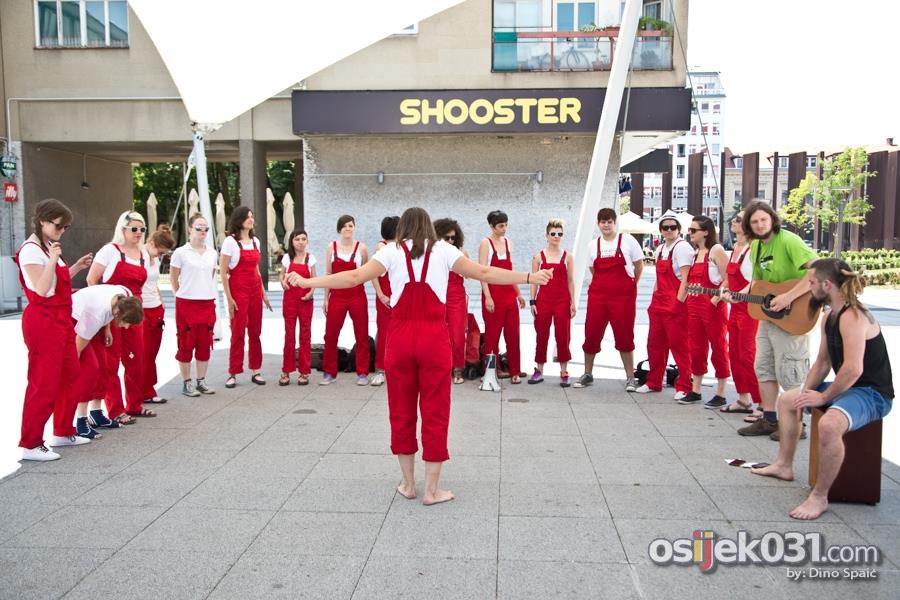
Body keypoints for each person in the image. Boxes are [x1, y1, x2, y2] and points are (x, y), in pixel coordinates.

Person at [286, 207, 552, 505]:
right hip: (434, 339)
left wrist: (309, 282)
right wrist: (531, 276)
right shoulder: (443, 250)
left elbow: (354, 277)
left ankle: (409, 484)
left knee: (401, 411)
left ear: (403, 228)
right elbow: (485, 272)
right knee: (436, 410)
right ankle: (432, 490)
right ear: (429, 226)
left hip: (399, 339)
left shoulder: (391, 252)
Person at [752, 258, 893, 520]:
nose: (811, 286)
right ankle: (784, 465)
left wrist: (824, 396)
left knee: (829, 425)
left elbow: (853, 369)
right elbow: (822, 363)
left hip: (872, 393)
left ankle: (819, 496)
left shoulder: (853, 316)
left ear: (827, 285)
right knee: (787, 401)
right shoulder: (830, 315)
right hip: (848, 387)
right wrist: (806, 393)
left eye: (813, 282)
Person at [15, 199, 93, 461]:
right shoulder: (30, 250)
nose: (62, 231)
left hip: (60, 319)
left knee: (71, 376)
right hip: (44, 320)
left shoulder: (47, 246)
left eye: (66, 227)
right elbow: (40, 288)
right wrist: (52, 261)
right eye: (59, 225)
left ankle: (62, 431)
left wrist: (74, 268)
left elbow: (55, 284)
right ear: (43, 221)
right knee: (43, 383)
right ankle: (31, 443)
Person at [736, 200, 817, 438]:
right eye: (754, 221)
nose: (760, 225)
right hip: (769, 317)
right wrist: (737, 296)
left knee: (790, 370)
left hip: (794, 315)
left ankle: (796, 425)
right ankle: (769, 419)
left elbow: (816, 269)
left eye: (764, 219)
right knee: (764, 367)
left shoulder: (789, 240)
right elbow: (759, 286)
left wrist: (788, 297)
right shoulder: (757, 247)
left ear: (772, 219)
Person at [86, 210, 152, 424]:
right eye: (134, 228)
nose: (138, 233)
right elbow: (92, 279)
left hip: (136, 314)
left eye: (142, 229)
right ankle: (115, 410)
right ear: (122, 229)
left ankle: (135, 404)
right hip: (113, 314)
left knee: (136, 360)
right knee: (110, 362)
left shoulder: (144, 254)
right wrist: (104, 319)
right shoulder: (110, 250)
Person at [576, 208, 643, 389]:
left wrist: (630, 285)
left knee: (624, 335)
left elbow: (639, 266)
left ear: (615, 223)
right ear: (598, 224)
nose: (606, 225)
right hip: (598, 296)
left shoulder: (627, 241)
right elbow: (593, 270)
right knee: (591, 333)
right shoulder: (593, 245)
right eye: (603, 222)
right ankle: (588, 373)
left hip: (623, 298)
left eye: (609, 221)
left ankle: (630, 377)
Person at [73, 285, 145, 439]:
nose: (126, 327)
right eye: (126, 323)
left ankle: (96, 414)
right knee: (89, 370)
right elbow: (77, 348)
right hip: (75, 320)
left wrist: (107, 329)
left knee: (104, 367)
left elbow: (110, 307)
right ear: (119, 314)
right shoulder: (95, 313)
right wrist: (72, 366)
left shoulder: (126, 295)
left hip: (97, 322)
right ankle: (81, 421)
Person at [634, 212, 693, 399]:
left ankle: (684, 385)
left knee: (679, 345)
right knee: (655, 344)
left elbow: (686, 279)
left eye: (672, 227)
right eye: (665, 227)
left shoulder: (682, 248)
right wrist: (653, 299)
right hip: (659, 303)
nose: (669, 230)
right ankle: (654, 381)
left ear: (678, 229)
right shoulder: (660, 249)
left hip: (675, 303)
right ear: (660, 230)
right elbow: (659, 278)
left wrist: (678, 303)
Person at [221, 206, 272, 388]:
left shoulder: (256, 241)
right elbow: (223, 272)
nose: (251, 220)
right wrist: (229, 299)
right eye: (247, 217)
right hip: (238, 290)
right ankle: (233, 372)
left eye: (252, 217)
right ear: (239, 220)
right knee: (238, 332)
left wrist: (263, 294)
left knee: (255, 331)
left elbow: (256, 270)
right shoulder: (230, 242)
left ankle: (256, 369)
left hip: (254, 290)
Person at [683, 215, 730, 406]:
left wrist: (715, 299)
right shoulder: (696, 253)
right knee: (696, 347)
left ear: (706, 232)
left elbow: (728, 278)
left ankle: (721, 392)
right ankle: (696, 390)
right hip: (694, 306)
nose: (690, 233)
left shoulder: (716, 250)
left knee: (718, 347)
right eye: (690, 230)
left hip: (712, 308)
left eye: (694, 230)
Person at [171, 213, 219, 397]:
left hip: (207, 302)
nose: (203, 231)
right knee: (185, 342)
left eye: (205, 228)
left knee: (204, 342)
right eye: (198, 227)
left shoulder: (212, 253)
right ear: (190, 229)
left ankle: (201, 381)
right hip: (186, 304)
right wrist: (181, 294)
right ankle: (187, 382)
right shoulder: (181, 252)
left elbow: (211, 277)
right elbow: (174, 278)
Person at [720, 211, 762, 416]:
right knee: (734, 354)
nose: (734, 221)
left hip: (749, 309)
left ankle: (763, 403)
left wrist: (741, 294)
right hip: (735, 307)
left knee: (748, 355)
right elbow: (729, 277)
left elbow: (758, 279)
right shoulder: (735, 247)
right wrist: (723, 290)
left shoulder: (754, 248)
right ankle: (743, 398)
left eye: (738, 219)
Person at [321, 214, 371, 386]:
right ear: (339, 229)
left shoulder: (362, 248)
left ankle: (363, 372)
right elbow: (328, 274)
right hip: (337, 296)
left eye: (350, 225)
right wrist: (326, 298)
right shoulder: (331, 247)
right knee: (331, 334)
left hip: (357, 295)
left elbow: (366, 272)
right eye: (344, 226)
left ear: (354, 228)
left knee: (362, 334)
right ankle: (329, 372)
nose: (347, 229)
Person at [478, 210, 525, 383]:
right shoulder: (486, 243)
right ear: (491, 226)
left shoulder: (508, 243)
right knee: (492, 335)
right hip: (493, 295)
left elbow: (509, 272)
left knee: (513, 333)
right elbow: (481, 273)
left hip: (508, 295)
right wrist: (488, 297)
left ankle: (515, 370)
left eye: (506, 225)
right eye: (500, 226)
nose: (504, 229)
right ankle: (490, 371)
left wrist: (518, 293)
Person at [528, 219, 576, 386]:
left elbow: (571, 281)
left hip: (562, 301)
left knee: (563, 336)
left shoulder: (568, 256)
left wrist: (573, 302)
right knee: (542, 335)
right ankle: (539, 370)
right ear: (546, 236)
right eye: (553, 234)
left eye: (560, 234)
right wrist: (532, 301)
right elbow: (533, 281)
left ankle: (564, 371)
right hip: (544, 301)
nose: (557, 237)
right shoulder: (538, 257)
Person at [139, 228, 176, 405]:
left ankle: (148, 389)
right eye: (160, 252)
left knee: (152, 353)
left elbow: (153, 283)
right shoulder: (140, 256)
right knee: (143, 353)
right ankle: (140, 391)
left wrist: (160, 301)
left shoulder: (153, 259)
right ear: (152, 243)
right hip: (143, 309)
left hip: (155, 309)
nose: (160, 256)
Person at [279, 229, 316, 386]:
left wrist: (310, 293)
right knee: (289, 335)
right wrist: (283, 282)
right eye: (297, 239)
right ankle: (286, 371)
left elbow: (314, 279)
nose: (301, 242)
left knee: (305, 335)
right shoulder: (287, 258)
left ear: (307, 241)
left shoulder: (310, 258)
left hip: (305, 300)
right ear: (292, 241)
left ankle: (304, 371)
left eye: (303, 239)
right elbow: (282, 275)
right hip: (290, 300)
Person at [433, 218, 469, 385]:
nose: (449, 241)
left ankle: (458, 368)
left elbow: (470, 274)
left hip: (456, 296)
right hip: (437, 295)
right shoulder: (433, 253)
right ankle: (440, 366)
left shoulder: (461, 253)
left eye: (452, 238)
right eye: (445, 238)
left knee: (457, 333)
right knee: (436, 333)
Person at [371, 216, 399, 387]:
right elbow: (373, 273)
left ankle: (396, 366)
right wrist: (381, 294)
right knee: (384, 332)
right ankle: (381, 369)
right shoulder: (382, 248)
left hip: (399, 295)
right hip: (386, 296)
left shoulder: (401, 247)